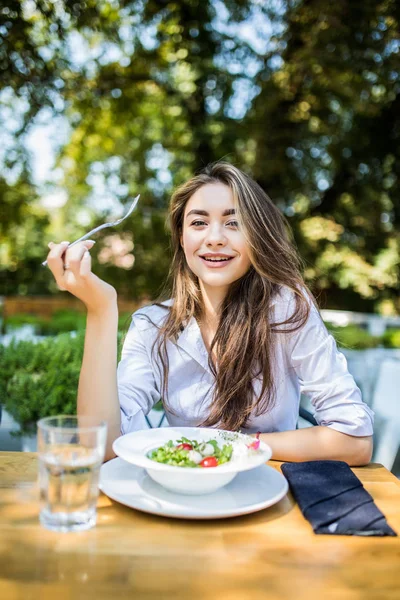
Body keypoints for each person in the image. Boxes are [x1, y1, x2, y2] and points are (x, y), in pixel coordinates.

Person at [46, 161, 374, 464]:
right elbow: (99, 446)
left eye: (234, 223)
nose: (214, 238)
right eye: (199, 222)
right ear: (181, 237)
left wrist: (238, 446)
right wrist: (101, 309)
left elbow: (354, 440)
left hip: (268, 497)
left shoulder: (287, 309)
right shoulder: (152, 325)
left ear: (257, 236)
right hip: (176, 499)